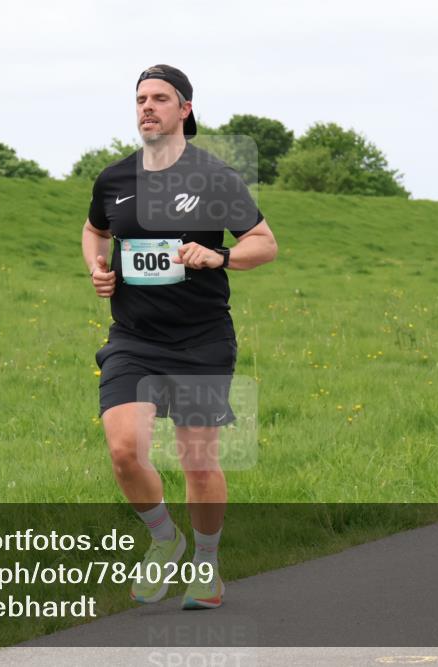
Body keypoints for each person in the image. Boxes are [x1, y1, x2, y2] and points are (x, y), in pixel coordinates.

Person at [80, 64, 278, 609]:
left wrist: (221, 256)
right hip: (133, 338)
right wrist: (97, 266)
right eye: (140, 98)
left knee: (198, 461)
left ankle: (207, 564)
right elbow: (95, 230)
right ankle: (165, 539)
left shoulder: (214, 178)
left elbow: (264, 242)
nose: (147, 107)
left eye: (160, 98)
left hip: (200, 340)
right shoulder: (115, 179)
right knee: (124, 451)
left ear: (185, 109)